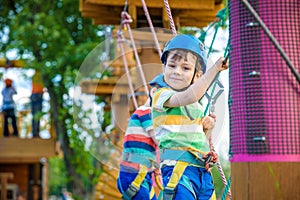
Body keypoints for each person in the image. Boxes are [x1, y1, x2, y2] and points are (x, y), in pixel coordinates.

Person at [151, 34, 228, 200]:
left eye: (185, 68)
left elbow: (200, 143)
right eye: (171, 66)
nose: (177, 72)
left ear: (197, 76)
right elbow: (188, 96)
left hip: (202, 173)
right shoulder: (162, 95)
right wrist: (215, 69)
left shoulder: (196, 108)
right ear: (163, 68)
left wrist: (208, 129)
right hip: (178, 170)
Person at [117, 83, 166, 200]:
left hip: (144, 175)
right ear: (154, 93)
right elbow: (159, 140)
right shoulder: (146, 111)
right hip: (132, 174)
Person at [30, 71, 44, 138]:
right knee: (37, 115)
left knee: (34, 116)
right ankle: (36, 134)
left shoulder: (34, 75)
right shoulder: (41, 75)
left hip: (33, 95)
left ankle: (34, 133)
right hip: (38, 95)